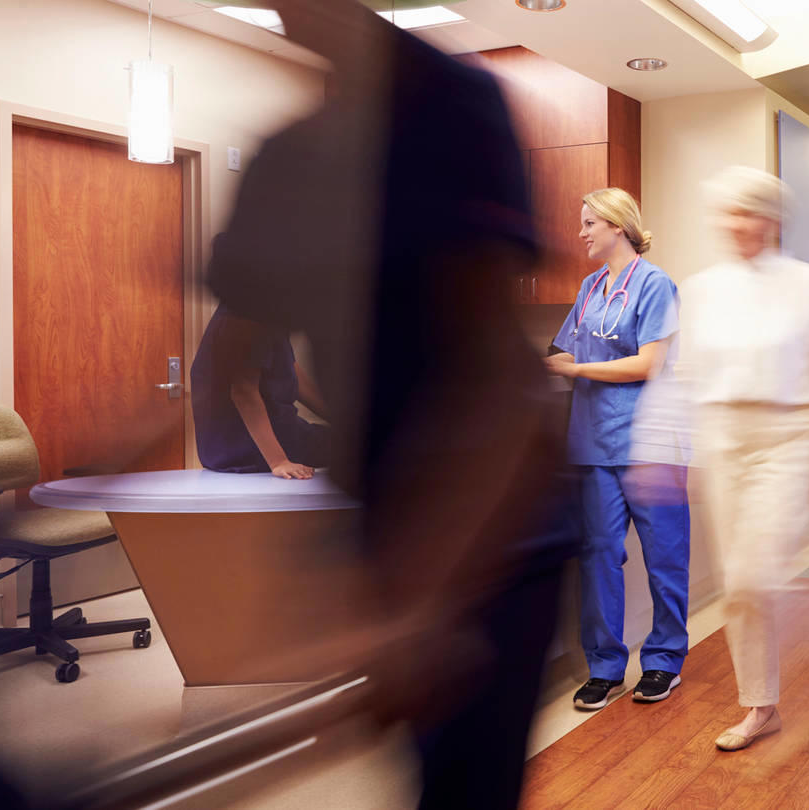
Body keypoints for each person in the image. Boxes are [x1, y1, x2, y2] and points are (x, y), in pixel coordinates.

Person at [203, 2, 579, 807]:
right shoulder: (288, 156)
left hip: (497, 535)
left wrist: (421, 604)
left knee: (463, 784)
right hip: (386, 520)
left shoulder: (452, 104)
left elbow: (508, 393)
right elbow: (230, 350)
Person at [651, 166, 809, 751]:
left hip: (788, 435)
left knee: (752, 575)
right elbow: (682, 377)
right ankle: (761, 705)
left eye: (750, 212)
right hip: (723, 438)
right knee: (735, 583)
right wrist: (656, 453)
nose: (737, 224)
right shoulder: (701, 288)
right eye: (729, 212)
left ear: (772, 220)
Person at [546, 188, 691, 710]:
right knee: (600, 556)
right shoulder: (589, 288)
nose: (581, 232)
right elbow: (565, 349)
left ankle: (664, 661)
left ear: (617, 225)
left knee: (664, 557)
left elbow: (647, 363)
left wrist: (576, 369)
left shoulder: (655, 284)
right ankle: (605, 667)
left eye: (589, 223)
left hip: (651, 442)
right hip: (594, 442)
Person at [189, 306, 331, 478]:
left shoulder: (267, 312)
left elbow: (290, 369)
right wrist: (278, 462)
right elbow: (243, 391)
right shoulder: (248, 314)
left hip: (269, 434)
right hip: (247, 449)